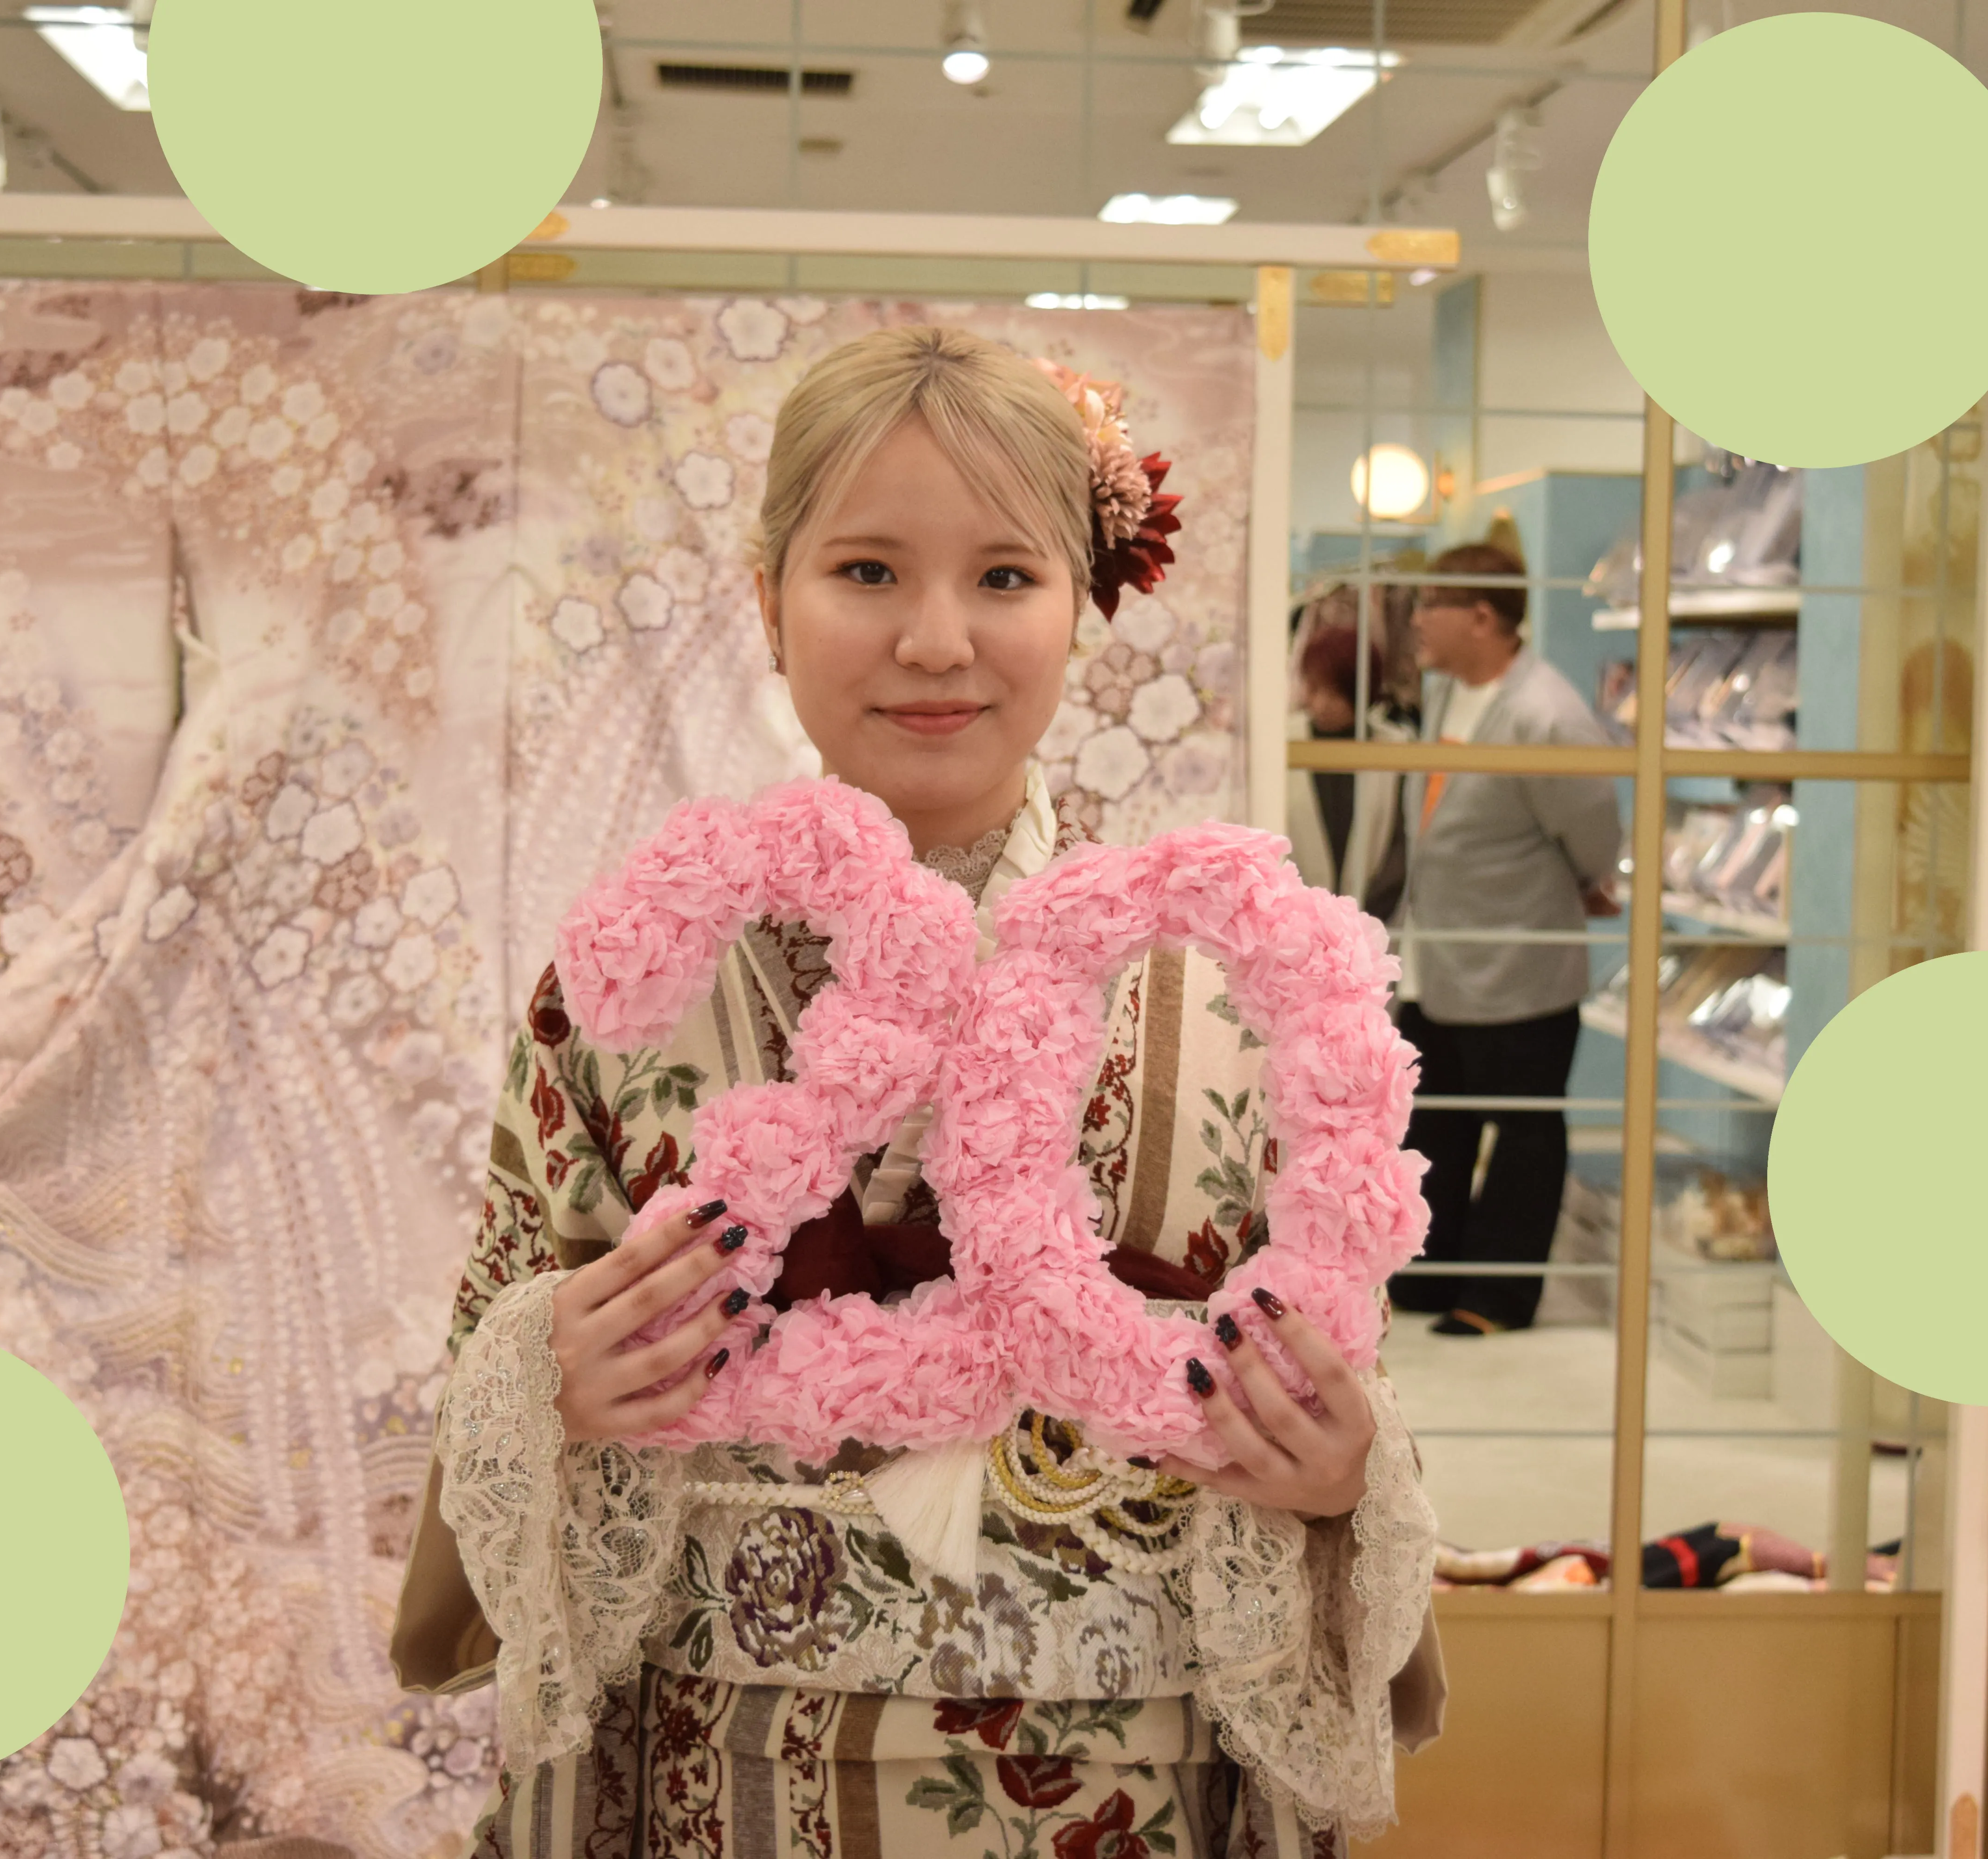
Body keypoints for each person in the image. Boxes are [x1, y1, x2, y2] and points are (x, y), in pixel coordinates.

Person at [393, 326, 1442, 1859]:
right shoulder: (625, 992)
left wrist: (1346, 1471)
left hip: (1130, 1785)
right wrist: (544, 1374)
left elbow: (1345, 1379)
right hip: (733, 1782)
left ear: (1083, 607)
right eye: (868, 572)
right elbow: (501, 1349)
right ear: (769, 601)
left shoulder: (1232, 986)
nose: (938, 640)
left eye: (1006, 578)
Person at [1395, 541, 1622, 1337]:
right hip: (1440, 960)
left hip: (1516, 961)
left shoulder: (1547, 714)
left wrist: (1588, 882)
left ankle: (1496, 1298)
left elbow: (1594, 834)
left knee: (1523, 1127)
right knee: (1437, 1122)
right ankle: (1431, 1274)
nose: (1418, 620)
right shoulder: (1445, 696)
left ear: (1483, 616)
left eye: (1432, 605)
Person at [1283, 599, 1410, 923]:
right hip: (1291, 922)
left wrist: (1365, 919)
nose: (1322, 704)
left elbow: (1398, 850)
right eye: (1314, 689)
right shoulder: (1285, 743)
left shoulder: (1393, 748)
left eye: (1335, 693)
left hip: (1371, 920)